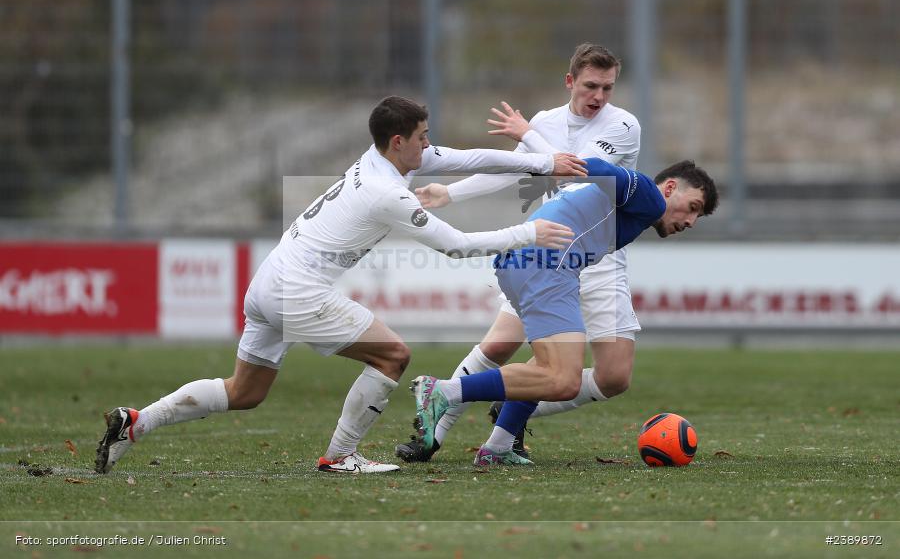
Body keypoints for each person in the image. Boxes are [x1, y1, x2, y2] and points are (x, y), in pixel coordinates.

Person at [94, 95, 587, 476]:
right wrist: (529, 232)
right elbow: (456, 246)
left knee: (244, 391)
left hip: (268, 281)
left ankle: (136, 422)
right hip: (297, 291)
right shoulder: (387, 192)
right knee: (393, 356)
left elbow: (463, 157)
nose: (429, 145)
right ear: (399, 142)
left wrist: (545, 163)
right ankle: (341, 455)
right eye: (423, 138)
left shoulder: (379, 158)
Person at [396, 43, 646, 462]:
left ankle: (512, 406)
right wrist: (450, 193)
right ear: (570, 81)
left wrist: (527, 134)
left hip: (601, 262)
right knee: (499, 345)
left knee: (615, 376)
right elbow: (515, 169)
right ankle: (432, 432)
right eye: (590, 85)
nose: (599, 96)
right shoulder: (546, 122)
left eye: (607, 87)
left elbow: (577, 169)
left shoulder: (623, 125)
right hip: (548, 255)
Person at [412, 159, 719, 465]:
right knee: (563, 380)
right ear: (670, 188)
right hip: (546, 266)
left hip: (526, 264)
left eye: (699, 216)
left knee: (547, 363)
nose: (691, 221)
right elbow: (606, 170)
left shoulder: (631, 209)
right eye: (693, 207)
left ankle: (499, 446)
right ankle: (443, 392)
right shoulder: (651, 197)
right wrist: (562, 166)